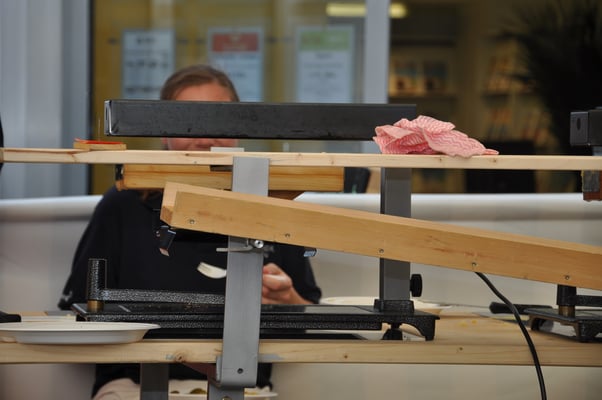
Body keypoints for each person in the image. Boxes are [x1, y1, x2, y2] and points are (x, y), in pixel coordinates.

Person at [59, 64, 322, 399]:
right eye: (188, 121)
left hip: (242, 386)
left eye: (219, 121)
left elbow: (311, 319)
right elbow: (78, 314)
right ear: (163, 134)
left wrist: (287, 303)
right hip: (132, 384)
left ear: (240, 130)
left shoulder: (271, 206)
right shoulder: (123, 204)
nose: (205, 137)